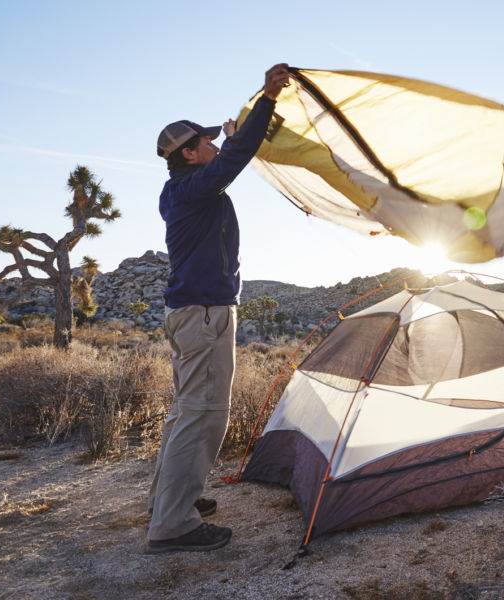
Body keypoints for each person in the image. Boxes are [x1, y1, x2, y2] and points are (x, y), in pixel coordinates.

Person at [144, 63, 291, 554]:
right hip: (204, 316)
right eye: (204, 142)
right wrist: (267, 100)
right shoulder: (192, 188)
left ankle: (167, 499)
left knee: (185, 411)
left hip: (195, 314)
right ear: (188, 154)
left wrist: (230, 137)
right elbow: (234, 160)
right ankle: (172, 525)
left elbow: (226, 157)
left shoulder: (183, 190)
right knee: (204, 414)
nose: (213, 144)